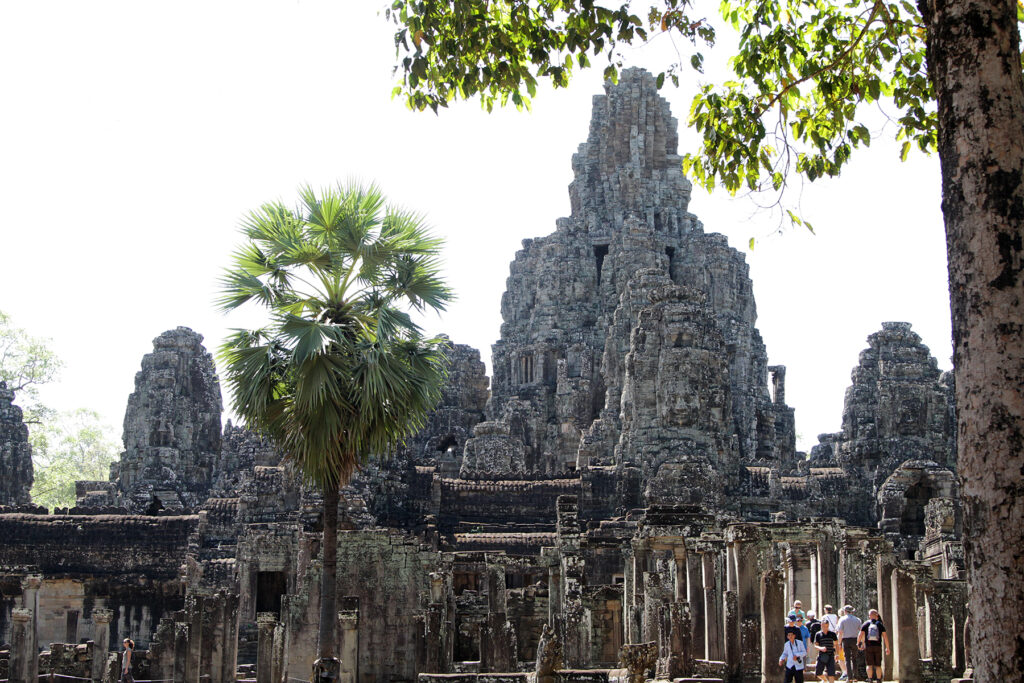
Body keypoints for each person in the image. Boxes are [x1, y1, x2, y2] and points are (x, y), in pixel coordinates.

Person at [857, 609, 891, 683]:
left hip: (868, 646)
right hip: (878, 646)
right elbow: (885, 637)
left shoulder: (866, 624)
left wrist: (858, 643)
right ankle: (879, 679)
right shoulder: (880, 624)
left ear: (869, 616)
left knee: (869, 664)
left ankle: (870, 679)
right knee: (878, 665)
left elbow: (860, 634)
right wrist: (887, 648)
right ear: (876, 616)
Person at [836, 605, 862, 681]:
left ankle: (850, 677)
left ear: (845, 611)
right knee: (854, 658)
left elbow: (840, 632)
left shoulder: (842, 619)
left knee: (847, 659)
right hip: (855, 640)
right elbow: (861, 631)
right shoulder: (857, 620)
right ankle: (855, 676)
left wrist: (839, 643)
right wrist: (861, 641)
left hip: (846, 640)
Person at [813, 617, 839, 683]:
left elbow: (836, 644)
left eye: (827, 626)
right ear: (821, 625)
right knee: (818, 673)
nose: (825, 628)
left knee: (831, 673)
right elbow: (815, 645)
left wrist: (837, 654)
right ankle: (824, 680)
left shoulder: (832, 634)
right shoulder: (818, 634)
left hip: (831, 655)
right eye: (824, 626)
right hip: (822, 656)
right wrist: (821, 648)